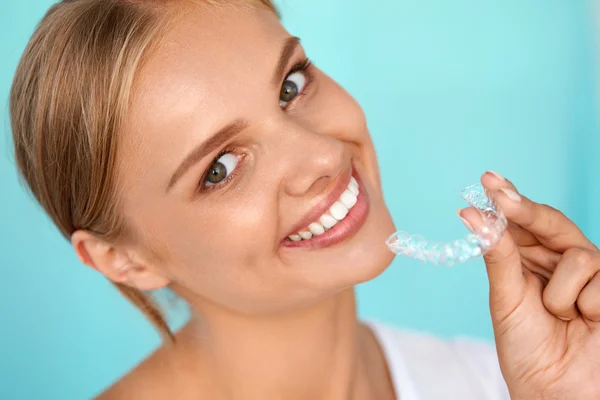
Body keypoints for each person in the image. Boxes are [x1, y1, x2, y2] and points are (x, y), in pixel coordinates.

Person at [9, 0, 600, 399]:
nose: (321, 155)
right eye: (220, 168)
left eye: (291, 86)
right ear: (124, 260)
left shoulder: (504, 382)